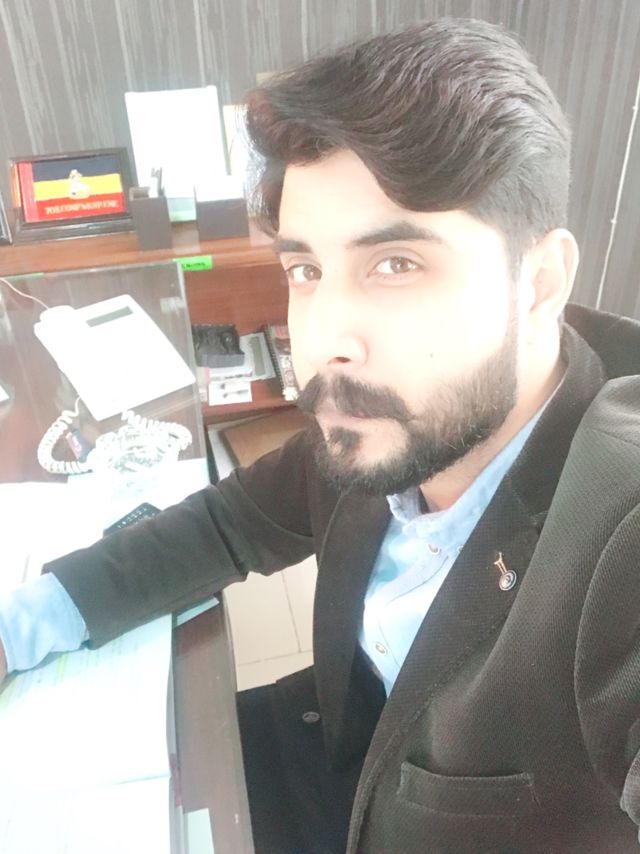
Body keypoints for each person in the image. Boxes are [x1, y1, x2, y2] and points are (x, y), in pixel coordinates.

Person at [2, 17, 640, 853]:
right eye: (305, 270)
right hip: (332, 750)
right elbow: (230, 524)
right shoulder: (383, 425)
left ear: (540, 282)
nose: (324, 340)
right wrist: (20, 626)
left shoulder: (618, 526)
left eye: (397, 264)